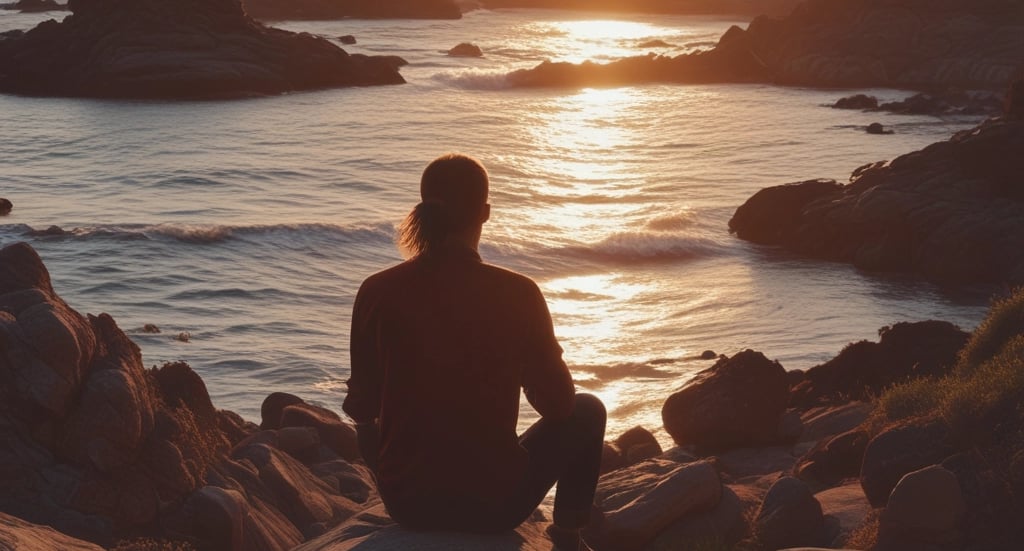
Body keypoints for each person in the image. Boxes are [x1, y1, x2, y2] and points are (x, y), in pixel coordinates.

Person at [343, 153, 606, 550]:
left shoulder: (376, 290)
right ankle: (567, 535)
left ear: (423, 205)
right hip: (493, 507)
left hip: (408, 504)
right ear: (485, 212)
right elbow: (560, 408)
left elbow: (361, 408)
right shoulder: (518, 293)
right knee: (589, 410)